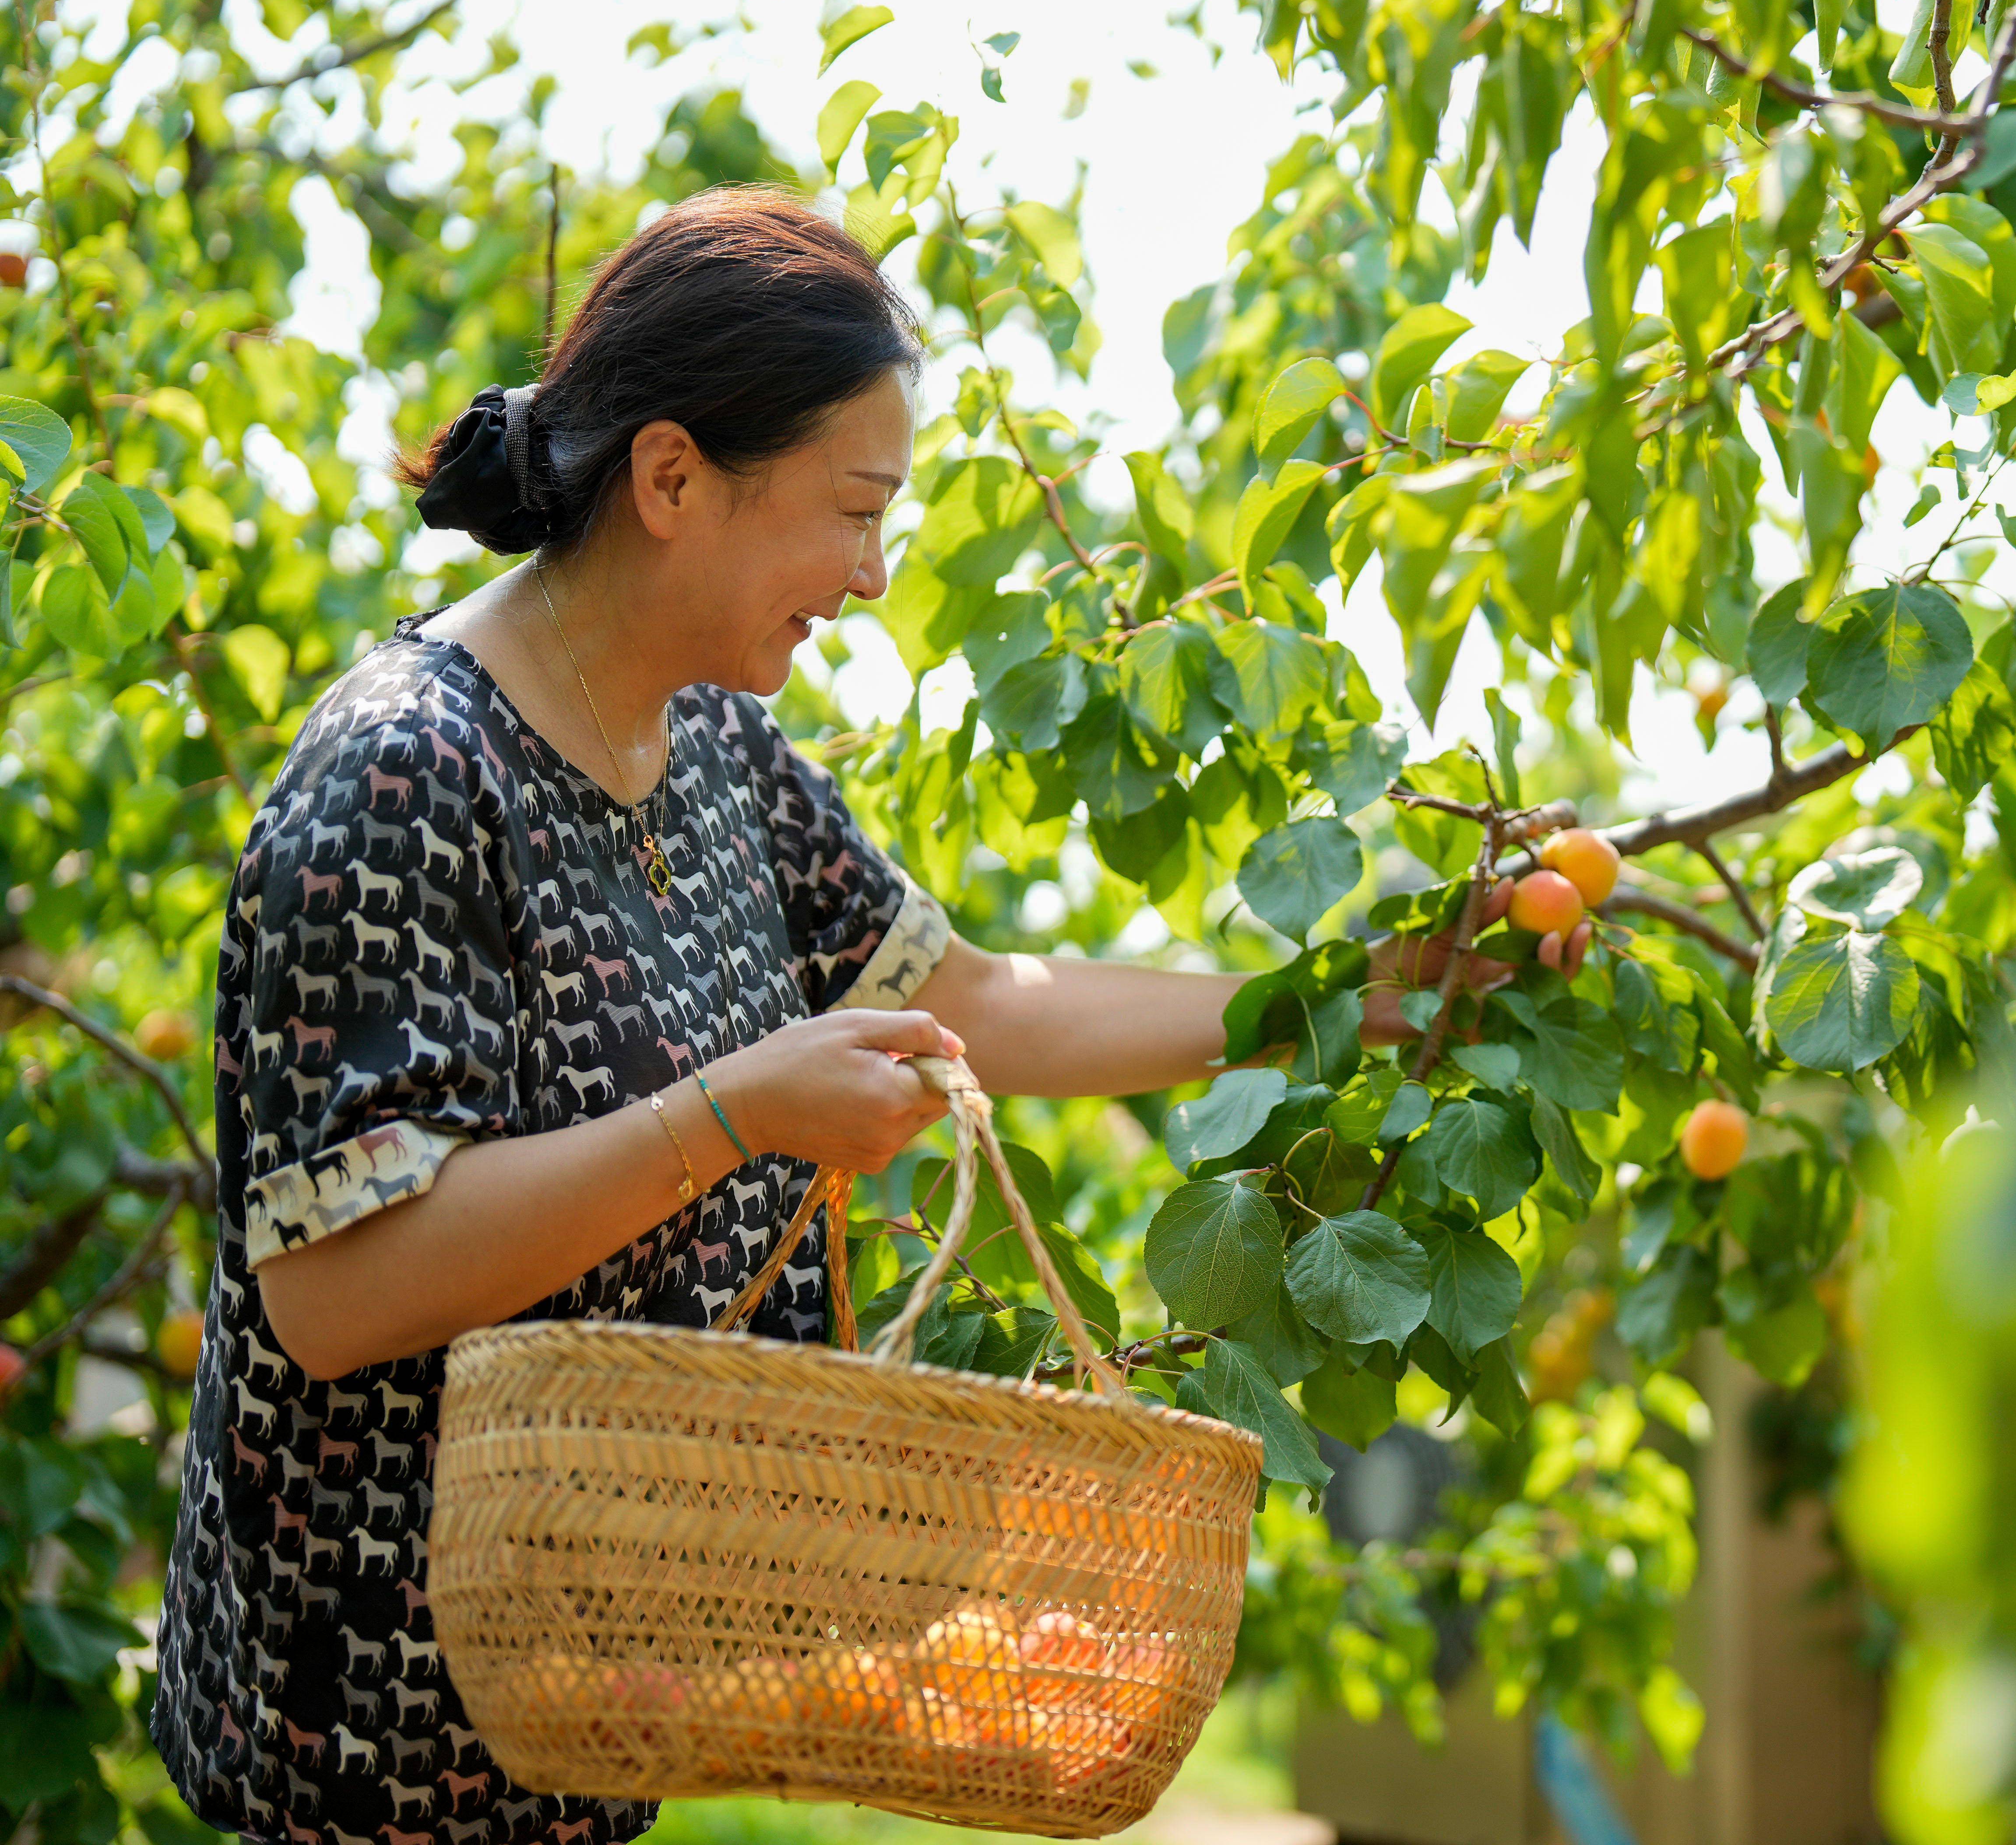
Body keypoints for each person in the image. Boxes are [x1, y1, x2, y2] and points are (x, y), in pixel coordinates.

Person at [151, 186, 1472, 1845]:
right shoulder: (405, 773)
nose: (872, 574)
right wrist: (735, 1115)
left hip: (582, 1724)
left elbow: (987, 1007)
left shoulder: (717, 755)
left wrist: (1342, 1000)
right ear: (674, 478)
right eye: (856, 511)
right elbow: (339, 1291)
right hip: (365, 1753)